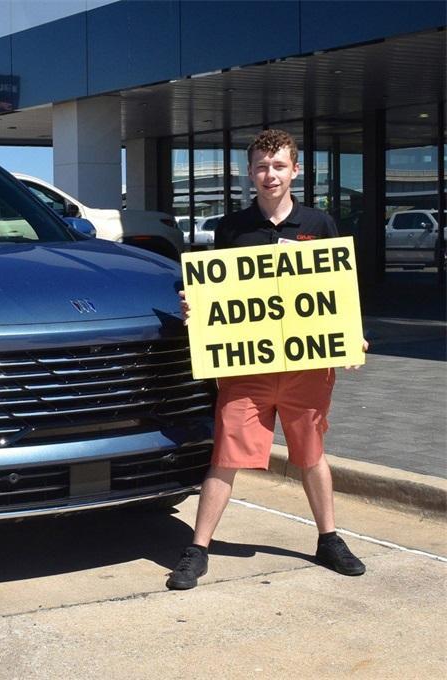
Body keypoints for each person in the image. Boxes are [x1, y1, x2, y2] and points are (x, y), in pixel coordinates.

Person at [167, 128, 368, 590]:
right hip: (247, 367)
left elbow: (338, 291)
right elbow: (220, 293)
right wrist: (195, 307)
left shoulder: (320, 223)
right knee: (226, 455)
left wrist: (353, 333)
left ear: (295, 170)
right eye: (261, 166)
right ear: (249, 173)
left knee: (311, 454)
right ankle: (198, 549)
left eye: (278, 166)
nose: (269, 174)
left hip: (305, 366)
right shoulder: (231, 228)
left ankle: (329, 538)